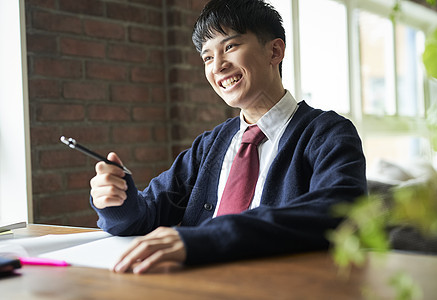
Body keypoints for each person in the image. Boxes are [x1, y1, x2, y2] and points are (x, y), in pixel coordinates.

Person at [90, 0, 367, 274]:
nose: (218, 66)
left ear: (275, 51)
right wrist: (118, 202)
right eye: (208, 57)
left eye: (230, 47)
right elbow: (146, 214)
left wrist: (207, 238)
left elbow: (338, 212)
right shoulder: (208, 146)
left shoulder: (328, 132)